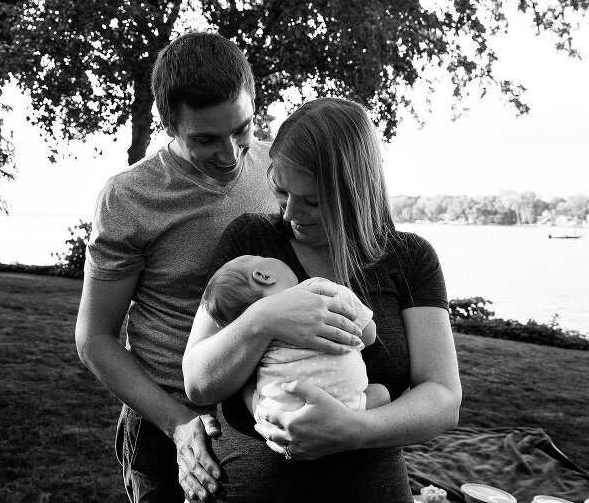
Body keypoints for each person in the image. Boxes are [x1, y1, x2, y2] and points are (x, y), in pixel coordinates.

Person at [74, 33, 363, 503]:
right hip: (170, 424)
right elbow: (94, 339)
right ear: (168, 124)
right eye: (205, 138)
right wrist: (177, 422)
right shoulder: (128, 198)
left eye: (242, 129)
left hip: (263, 413)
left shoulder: (279, 168)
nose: (230, 154)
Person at [183, 97, 462, 502]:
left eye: (312, 200)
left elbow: (442, 397)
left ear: (355, 191)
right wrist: (263, 319)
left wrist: (353, 430)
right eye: (281, 192)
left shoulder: (409, 259)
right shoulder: (251, 245)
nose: (290, 214)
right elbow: (198, 382)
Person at [200, 254, 390, 428]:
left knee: (248, 389)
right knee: (382, 393)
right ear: (263, 276)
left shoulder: (255, 336)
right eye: (261, 256)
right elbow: (369, 334)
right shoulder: (322, 288)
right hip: (347, 411)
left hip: (284, 421)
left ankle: (264, 420)